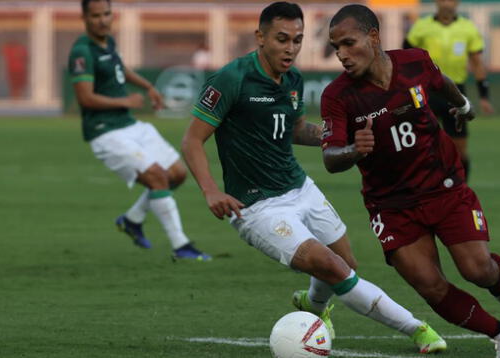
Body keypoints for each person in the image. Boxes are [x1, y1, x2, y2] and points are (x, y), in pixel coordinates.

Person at [182, 2, 447, 354]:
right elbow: (192, 140)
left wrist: (343, 137)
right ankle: (419, 330)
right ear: (260, 37)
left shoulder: (292, 79)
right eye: (281, 39)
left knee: (346, 262)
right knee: (334, 268)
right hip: (258, 206)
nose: (290, 48)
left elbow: (294, 130)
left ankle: (312, 307)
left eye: (297, 40)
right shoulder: (232, 79)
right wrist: (210, 190)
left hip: (299, 187)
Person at [322, 5, 500, 358]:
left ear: (373, 37)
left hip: (442, 186)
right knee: (429, 285)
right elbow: (330, 159)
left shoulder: (415, 62)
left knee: (477, 269)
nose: (342, 55)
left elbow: (441, 83)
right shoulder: (337, 96)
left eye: (348, 43)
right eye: (336, 48)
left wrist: (463, 105)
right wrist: (353, 151)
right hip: (390, 205)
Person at [69, 0, 210, 261]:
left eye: (107, 14)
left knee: (177, 174)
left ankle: (132, 220)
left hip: (129, 125)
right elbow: (85, 98)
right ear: (85, 18)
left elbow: (120, 69)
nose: (103, 20)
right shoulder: (82, 52)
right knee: (157, 176)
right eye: (96, 15)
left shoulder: (108, 43)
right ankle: (181, 246)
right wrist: (125, 101)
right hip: (104, 132)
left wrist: (148, 87)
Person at [404, 0, 494, 180]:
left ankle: (462, 189)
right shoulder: (422, 26)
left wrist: (484, 95)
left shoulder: (467, 28)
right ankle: (419, 188)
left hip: (456, 93)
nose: (447, 4)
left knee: (460, 150)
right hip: (426, 92)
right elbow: (405, 57)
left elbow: (477, 63)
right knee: (420, 146)